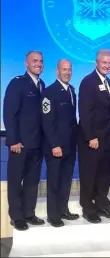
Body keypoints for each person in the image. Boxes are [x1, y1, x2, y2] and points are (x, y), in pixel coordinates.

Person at [3, 51, 45, 231]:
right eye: (34, 61)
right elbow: (9, 113)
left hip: (37, 144)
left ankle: (29, 213)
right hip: (19, 144)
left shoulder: (42, 84)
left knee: (32, 181)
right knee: (15, 181)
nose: (38, 64)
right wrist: (13, 140)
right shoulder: (17, 83)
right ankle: (17, 216)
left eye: (41, 61)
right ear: (26, 63)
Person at [78, 49, 110, 223]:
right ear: (96, 63)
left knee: (104, 174)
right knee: (89, 173)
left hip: (107, 138)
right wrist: (91, 136)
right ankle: (88, 207)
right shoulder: (88, 82)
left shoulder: (107, 81)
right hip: (93, 139)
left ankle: (102, 205)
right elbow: (85, 112)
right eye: (104, 62)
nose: (107, 66)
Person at [41, 59, 79, 227]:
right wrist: (54, 145)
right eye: (64, 69)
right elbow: (47, 122)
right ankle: (53, 215)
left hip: (70, 145)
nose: (67, 72)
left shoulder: (71, 90)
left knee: (65, 180)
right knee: (55, 181)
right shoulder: (49, 92)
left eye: (69, 69)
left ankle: (63, 209)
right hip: (56, 146)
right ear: (57, 71)